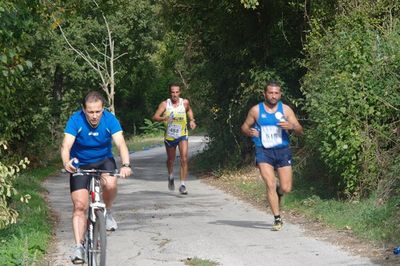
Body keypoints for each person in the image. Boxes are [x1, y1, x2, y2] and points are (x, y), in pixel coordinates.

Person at [60, 91, 132, 264]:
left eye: (98, 111)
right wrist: (66, 162)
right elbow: (66, 145)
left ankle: (106, 212)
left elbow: (121, 143)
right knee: (80, 206)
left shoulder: (110, 119)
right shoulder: (76, 120)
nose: (94, 116)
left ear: (103, 109)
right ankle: (78, 247)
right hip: (80, 163)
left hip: (103, 160)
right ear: (84, 110)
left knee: (111, 182)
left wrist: (126, 165)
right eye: (90, 112)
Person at [241, 81, 303, 231]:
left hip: (282, 150)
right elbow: (244, 126)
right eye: (270, 93)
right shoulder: (256, 110)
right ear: (265, 94)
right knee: (269, 183)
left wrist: (292, 127)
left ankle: (279, 193)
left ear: (280, 94)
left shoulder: (286, 110)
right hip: (263, 151)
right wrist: (249, 132)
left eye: (276, 93)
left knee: (286, 188)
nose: (273, 96)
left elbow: (300, 130)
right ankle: (277, 219)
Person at [152, 83, 196, 195]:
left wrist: (191, 120)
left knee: (184, 159)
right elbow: (155, 117)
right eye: (173, 92)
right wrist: (164, 118)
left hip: (182, 135)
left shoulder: (184, 102)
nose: (175, 94)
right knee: (170, 160)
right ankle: (170, 176)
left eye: (177, 92)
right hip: (170, 136)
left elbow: (189, 110)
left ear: (180, 92)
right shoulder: (165, 104)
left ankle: (182, 185)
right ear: (170, 93)